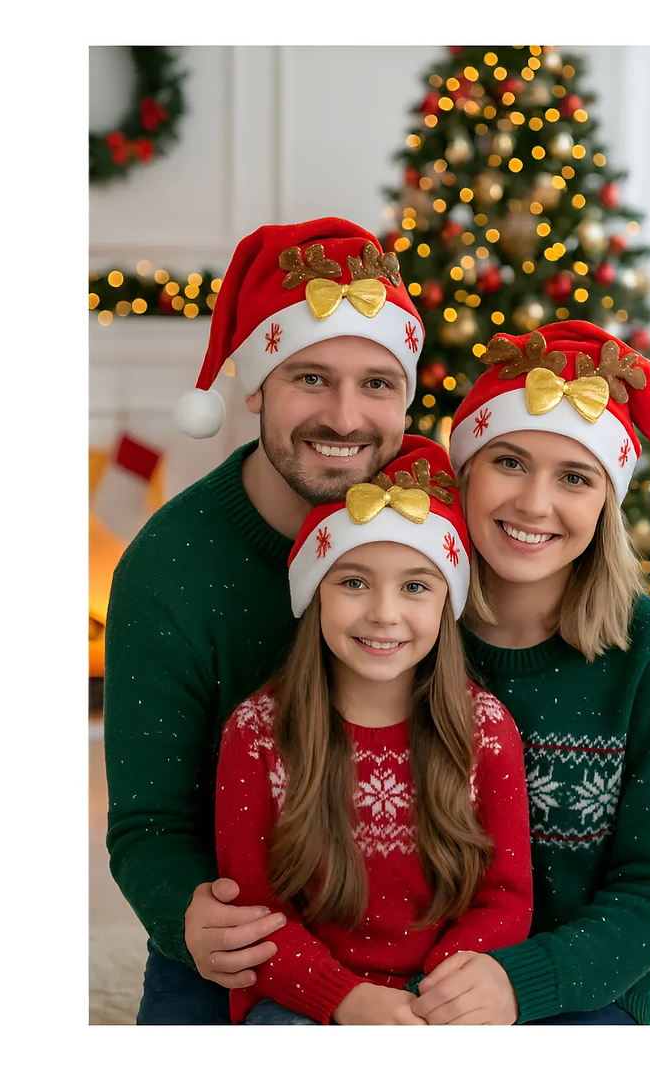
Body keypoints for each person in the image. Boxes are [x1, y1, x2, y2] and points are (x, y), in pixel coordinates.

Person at [102, 216, 428, 1024]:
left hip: (416, 919)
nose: (346, 418)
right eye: (310, 378)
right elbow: (146, 819)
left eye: (376, 383)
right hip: (246, 919)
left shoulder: (442, 533)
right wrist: (186, 913)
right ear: (254, 385)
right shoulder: (169, 566)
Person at [405, 318, 650, 1025]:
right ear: (465, 470)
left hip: (583, 988)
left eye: (574, 477)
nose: (534, 504)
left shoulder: (649, 648)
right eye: (508, 461)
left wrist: (522, 982)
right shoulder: (400, 623)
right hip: (408, 972)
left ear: (606, 501)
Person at [215, 437, 533, 1025]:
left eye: (415, 586)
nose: (384, 613)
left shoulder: (484, 729)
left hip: (441, 997)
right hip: (303, 999)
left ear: (445, 603)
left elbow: (505, 898)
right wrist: (345, 998)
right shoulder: (258, 733)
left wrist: (435, 998)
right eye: (354, 582)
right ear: (314, 595)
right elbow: (254, 913)